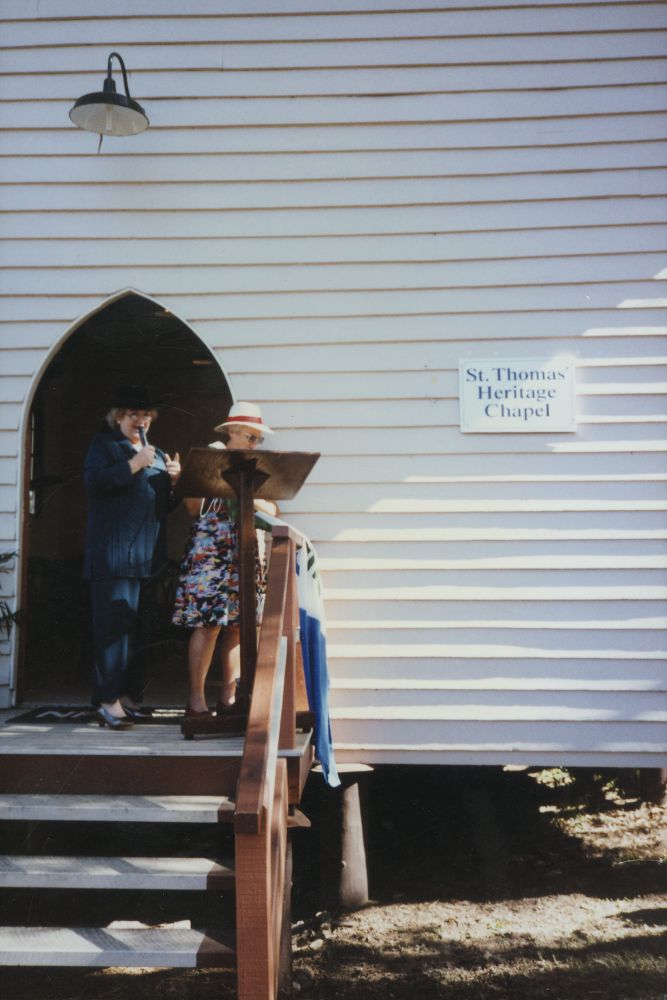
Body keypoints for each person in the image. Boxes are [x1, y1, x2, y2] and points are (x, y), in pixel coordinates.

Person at [83, 385, 181, 729]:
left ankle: (127, 698)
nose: (140, 421)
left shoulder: (158, 453)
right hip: (113, 558)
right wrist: (133, 465)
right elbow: (95, 484)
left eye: (146, 416)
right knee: (113, 631)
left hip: (146, 558)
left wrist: (174, 483)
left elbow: (162, 507)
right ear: (118, 418)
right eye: (133, 415)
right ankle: (107, 702)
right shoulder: (104, 446)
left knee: (140, 633)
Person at [172, 401, 277, 718]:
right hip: (214, 549)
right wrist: (186, 479)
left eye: (258, 438)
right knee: (208, 625)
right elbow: (193, 509)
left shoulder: (257, 466)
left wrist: (250, 496)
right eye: (249, 436)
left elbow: (273, 509)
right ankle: (196, 701)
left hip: (244, 548)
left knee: (237, 626)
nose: (254, 443)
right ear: (232, 431)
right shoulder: (210, 457)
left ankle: (229, 699)